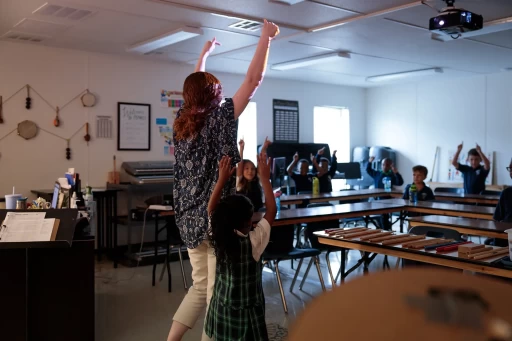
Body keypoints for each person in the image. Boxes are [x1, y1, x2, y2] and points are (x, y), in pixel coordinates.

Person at [169, 20, 280, 341]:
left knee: (201, 286)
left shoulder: (181, 121)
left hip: (189, 220)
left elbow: (194, 89)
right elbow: (253, 79)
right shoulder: (222, 116)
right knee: (218, 291)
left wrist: (203, 56)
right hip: (217, 218)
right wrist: (265, 37)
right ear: (216, 94)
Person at [205, 154, 277, 341]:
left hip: (222, 310)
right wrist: (265, 179)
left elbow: (211, 210)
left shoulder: (218, 235)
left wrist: (221, 180)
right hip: (247, 318)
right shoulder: (254, 242)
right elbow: (271, 211)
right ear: (248, 221)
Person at [366, 157, 404, 230]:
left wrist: (397, 173)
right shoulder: (377, 173)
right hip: (377, 199)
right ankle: (381, 226)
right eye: (383, 165)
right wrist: (370, 162)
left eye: (387, 165)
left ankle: (385, 229)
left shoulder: (392, 175)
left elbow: (400, 182)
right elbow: (368, 170)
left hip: (387, 199)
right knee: (379, 214)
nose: (385, 167)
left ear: (390, 166)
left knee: (384, 215)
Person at [236, 138, 271, 211]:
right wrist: (241, 149)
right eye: (247, 169)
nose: (250, 171)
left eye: (253, 169)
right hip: (243, 215)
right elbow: (240, 164)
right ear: (242, 170)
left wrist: (264, 148)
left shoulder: (257, 180)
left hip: (258, 214)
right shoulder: (239, 182)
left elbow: (261, 162)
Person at [486, 159, 512, 247]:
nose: (511, 171)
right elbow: (496, 219)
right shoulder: (506, 192)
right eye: (510, 168)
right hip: (505, 234)